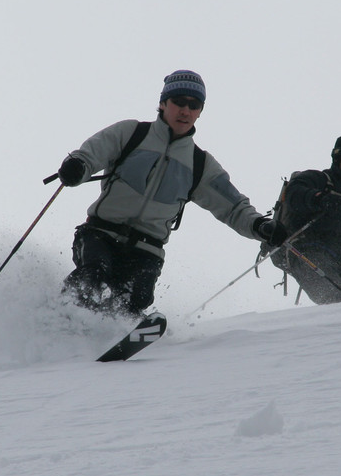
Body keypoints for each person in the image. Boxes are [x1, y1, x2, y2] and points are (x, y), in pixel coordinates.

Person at [55, 70, 287, 316]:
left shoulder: (200, 164)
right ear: (163, 103)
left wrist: (260, 225)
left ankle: (109, 337)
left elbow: (233, 207)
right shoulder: (131, 133)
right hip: (100, 234)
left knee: (136, 299)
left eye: (194, 105)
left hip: (147, 249)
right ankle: (58, 317)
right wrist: (77, 167)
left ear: (200, 111)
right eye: (179, 102)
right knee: (93, 274)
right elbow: (91, 154)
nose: (185, 111)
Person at [269, 133, 341, 305]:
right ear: (338, 155)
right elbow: (294, 193)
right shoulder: (317, 179)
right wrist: (319, 198)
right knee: (338, 302)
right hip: (307, 255)